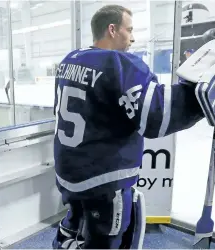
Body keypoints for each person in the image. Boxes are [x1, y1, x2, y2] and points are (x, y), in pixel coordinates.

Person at [53, 5, 205, 249]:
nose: (133, 38)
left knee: (76, 223)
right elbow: (156, 115)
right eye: (130, 30)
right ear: (112, 30)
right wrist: (197, 96)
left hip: (70, 171)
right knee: (105, 240)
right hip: (102, 179)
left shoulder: (70, 59)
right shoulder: (118, 64)